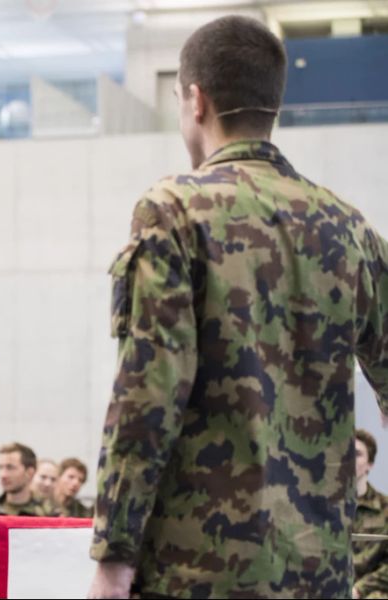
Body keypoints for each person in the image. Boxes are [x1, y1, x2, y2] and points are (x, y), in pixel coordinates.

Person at [89, 15, 388, 599]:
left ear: (194, 100)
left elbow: (148, 395)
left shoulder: (175, 211)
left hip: (197, 568)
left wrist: (114, 556)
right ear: (272, 104)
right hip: (319, 572)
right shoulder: (349, 227)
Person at [353, 429, 388, 599]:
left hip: (370, 592)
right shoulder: (326, 507)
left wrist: (360, 589)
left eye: (357, 454)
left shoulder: (385, 507)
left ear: (370, 463)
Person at [0, 443, 50, 516]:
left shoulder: (48, 513)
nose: (3, 475)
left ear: (29, 473)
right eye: (1, 467)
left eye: (10, 467)